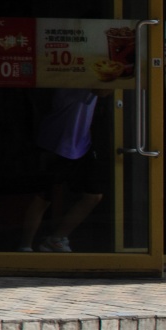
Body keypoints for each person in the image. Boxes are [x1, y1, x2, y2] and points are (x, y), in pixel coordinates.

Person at [19, 89, 103, 253]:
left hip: (81, 143)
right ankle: (24, 246)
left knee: (93, 195)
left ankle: (56, 238)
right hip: (54, 143)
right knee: (43, 198)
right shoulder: (74, 80)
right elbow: (103, 90)